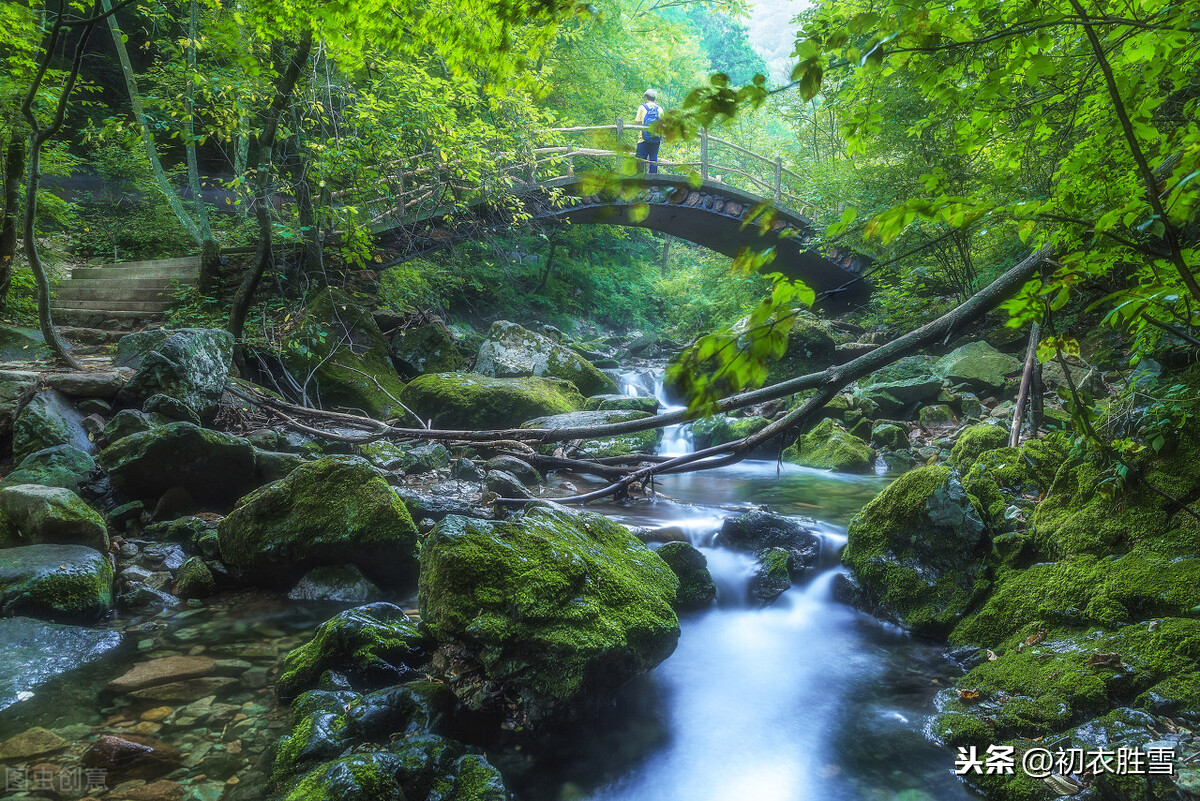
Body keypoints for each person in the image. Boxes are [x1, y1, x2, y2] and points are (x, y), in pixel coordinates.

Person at [635, 89, 662, 174]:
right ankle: (653, 182)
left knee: (640, 160)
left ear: (646, 98)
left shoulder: (642, 108)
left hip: (643, 139)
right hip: (655, 139)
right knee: (653, 160)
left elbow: (637, 123)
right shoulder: (659, 109)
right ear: (654, 99)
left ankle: (639, 181)